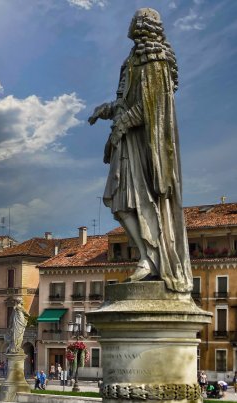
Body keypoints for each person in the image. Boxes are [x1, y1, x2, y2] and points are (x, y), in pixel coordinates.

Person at [88, 8, 192, 293]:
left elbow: (151, 108)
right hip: (127, 142)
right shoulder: (132, 59)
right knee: (121, 205)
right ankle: (147, 257)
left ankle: (153, 259)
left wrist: (122, 123)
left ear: (144, 25)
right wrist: (108, 111)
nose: (130, 23)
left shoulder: (156, 60)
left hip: (147, 146)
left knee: (145, 201)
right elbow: (126, 100)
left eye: (135, 19)